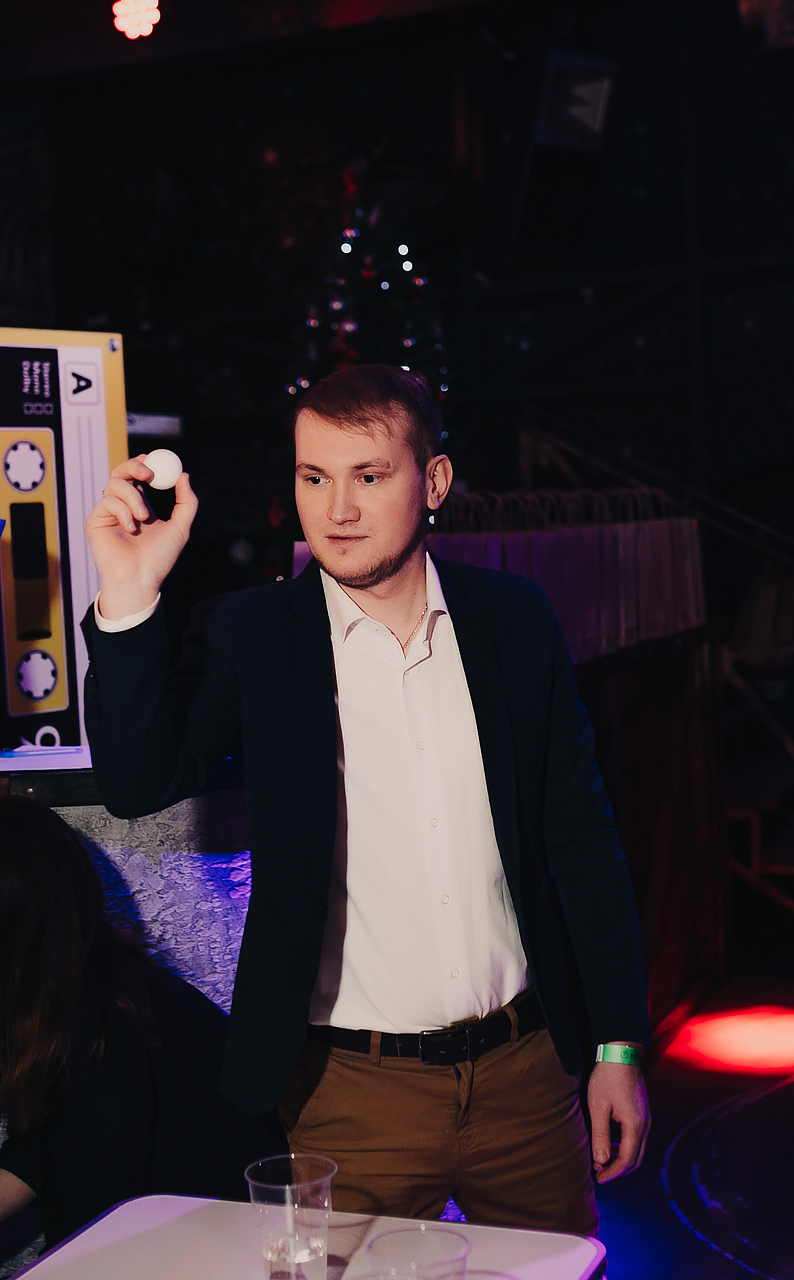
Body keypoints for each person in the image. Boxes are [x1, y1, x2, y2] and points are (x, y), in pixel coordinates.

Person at [80, 364, 651, 1234]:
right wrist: (127, 593)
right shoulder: (251, 635)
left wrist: (617, 1045)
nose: (337, 509)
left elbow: (582, 844)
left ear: (435, 482)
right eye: (314, 477)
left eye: (369, 476)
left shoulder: (514, 622)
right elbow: (137, 783)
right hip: (348, 1093)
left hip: (527, 1078)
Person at [0, 797, 285, 1279]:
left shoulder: (94, 1021)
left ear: (31, 922)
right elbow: (34, 1155)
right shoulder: (46, 995)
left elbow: (99, 1225)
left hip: (230, 1253)